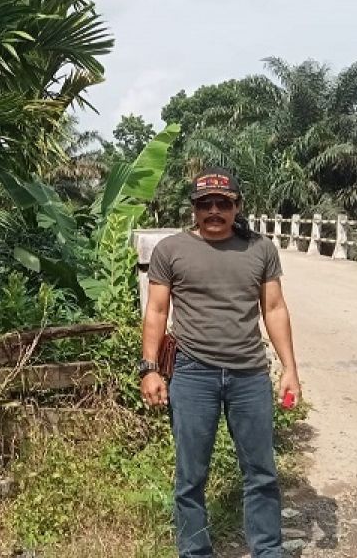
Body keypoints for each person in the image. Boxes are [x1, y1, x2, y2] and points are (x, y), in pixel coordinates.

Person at [139, 169, 300, 558]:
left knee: (261, 474)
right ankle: (195, 552)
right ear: (193, 208)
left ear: (236, 206)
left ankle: (267, 551)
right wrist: (149, 369)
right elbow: (157, 312)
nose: (214, 211)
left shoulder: (260, 249)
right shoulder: (171, 250)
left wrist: (290, 369)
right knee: (190, 477)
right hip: (193, 375)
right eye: (204, 204)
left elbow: (274, 308)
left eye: (222, 203)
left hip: (250, 375)